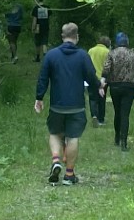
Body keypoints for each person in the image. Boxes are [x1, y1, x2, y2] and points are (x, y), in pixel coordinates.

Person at [34, 22, 101, 185]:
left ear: (62, 37)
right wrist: (98, 87)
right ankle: (69, 175)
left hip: (57, 105)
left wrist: (39, 98)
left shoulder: (51, 55)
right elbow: (91, 77)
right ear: (77, 37)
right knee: (73, 137)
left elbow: (43, 78)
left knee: (55, 133)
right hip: (76, 105)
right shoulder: (82, 55)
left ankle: (56, 160)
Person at [104, 32, 134, 150]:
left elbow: (106, 69)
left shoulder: (111, 53)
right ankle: (124, 143)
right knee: (125, 114)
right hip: (130, 86)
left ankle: (116, 137)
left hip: (115, 86)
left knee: (117, 112)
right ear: (127, 42)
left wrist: (104, 81)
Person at [88, 35, 112, 125]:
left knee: (92, 98)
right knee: (102, 98)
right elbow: (108, 66)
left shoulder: (91, 50)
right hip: (103, 79)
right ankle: (101, 119)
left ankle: (94, 115)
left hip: (91, 78)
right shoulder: (107, 52)